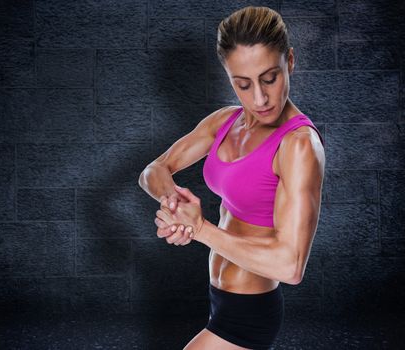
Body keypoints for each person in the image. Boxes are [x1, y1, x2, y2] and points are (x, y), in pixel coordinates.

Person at [139, 6, 325, 350]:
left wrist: (200, 229)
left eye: (270, 78)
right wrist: (175, 204)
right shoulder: (225, 121)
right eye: (243, 84)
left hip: (249, 315)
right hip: (218, 302)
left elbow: (291, 266)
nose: (259, 98)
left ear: (291, 62)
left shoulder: (298, 145)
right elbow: (154, 170)